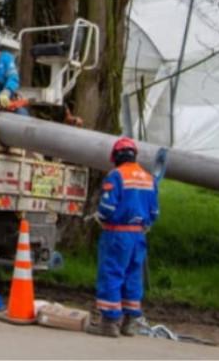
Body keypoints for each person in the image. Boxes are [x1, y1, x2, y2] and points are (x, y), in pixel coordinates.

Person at [86, 137, 160, 337]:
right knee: (132, 276)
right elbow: (154, 213)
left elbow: (107, 207)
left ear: (116, 156)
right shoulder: (149, 178)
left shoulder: (116, 176)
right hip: (138, 236)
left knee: (112, 273)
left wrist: (99, 217)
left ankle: (109, 323)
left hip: (117, 234)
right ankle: (129, 323)